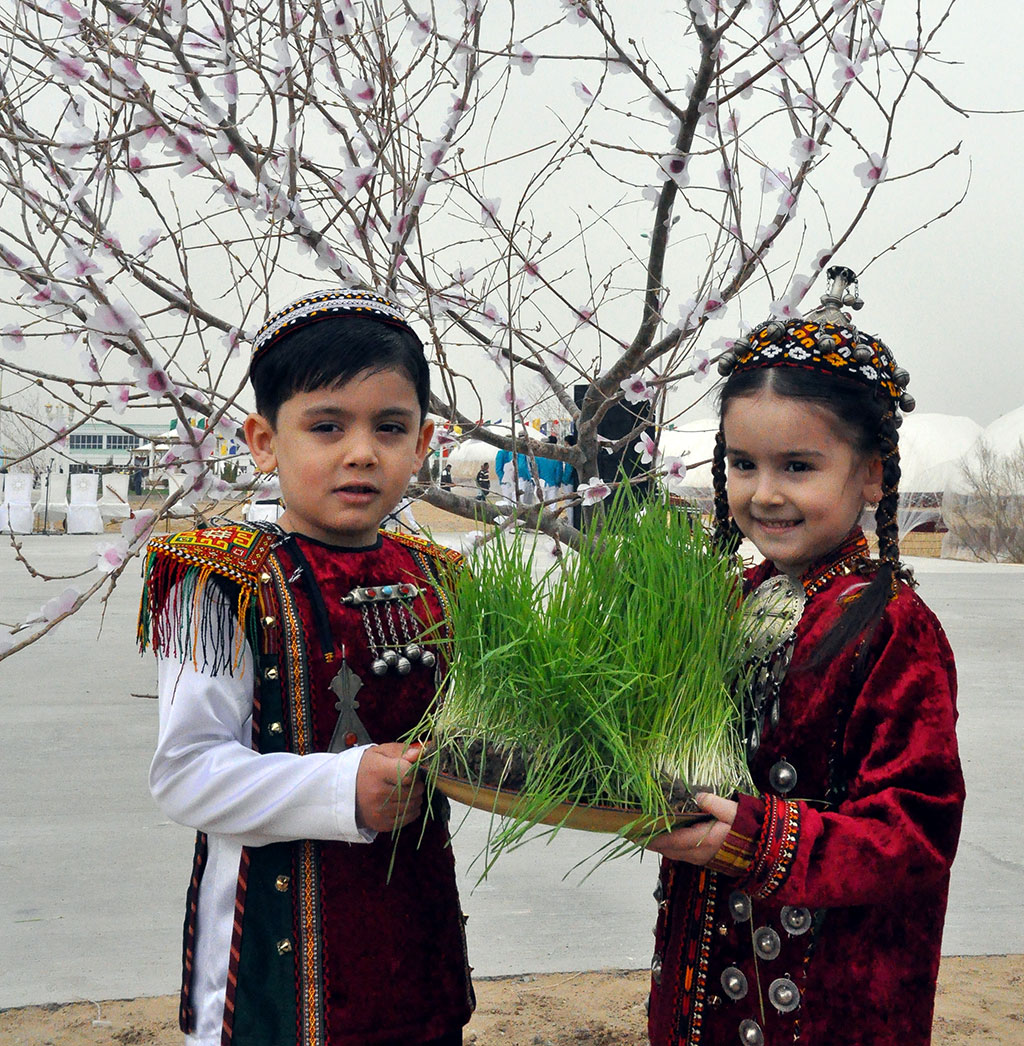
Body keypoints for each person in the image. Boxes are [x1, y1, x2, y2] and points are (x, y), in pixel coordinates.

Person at [140, 288, 474, 1046]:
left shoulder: (441, 577)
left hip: (414, 938)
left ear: (422, 444)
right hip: (276, 960)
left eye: (390, 428)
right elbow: (186, 772)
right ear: (264, 441)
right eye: (327, 426)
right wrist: (341, 787)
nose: (362, 452)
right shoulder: (219, 579)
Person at [645, 269, 964, 1046]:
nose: (763, 493)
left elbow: (915, 833)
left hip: (828, 1001)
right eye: (742, 464)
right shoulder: (730, 603)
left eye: (798, 466)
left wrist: (766, 840)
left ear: (872, 476)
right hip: (702, 979)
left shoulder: (893, 627)